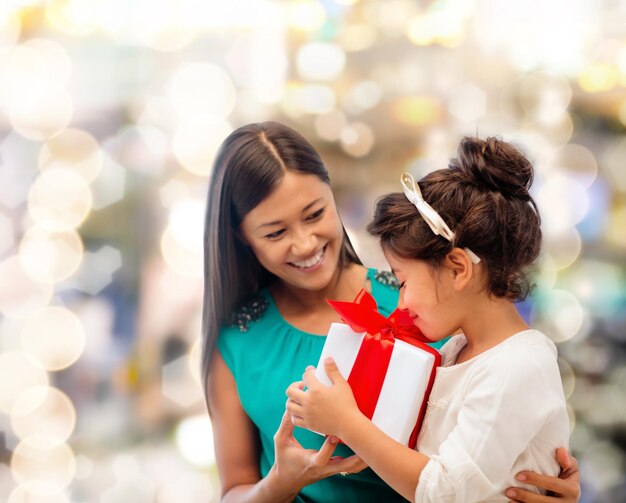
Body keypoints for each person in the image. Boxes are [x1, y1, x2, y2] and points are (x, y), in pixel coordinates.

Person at [202, 122, 580, 502]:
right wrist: (282, 482)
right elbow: (235, 488)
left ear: (332, 195)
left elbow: (497, 438)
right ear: (242, 237)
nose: (304, 244)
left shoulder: (432, 308)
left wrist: (546, 476)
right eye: (275, 233)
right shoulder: (238, 339)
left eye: (315, 214)